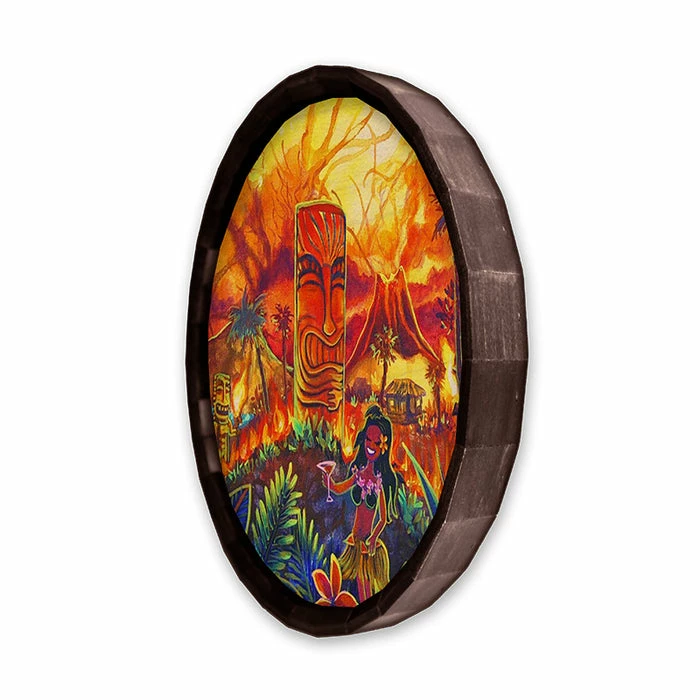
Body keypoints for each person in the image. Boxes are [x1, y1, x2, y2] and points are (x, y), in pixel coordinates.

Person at [327, 405, 398, 602]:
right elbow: (340, 488)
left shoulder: (379, 481)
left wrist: (374, 537)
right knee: (359, 584)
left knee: (367, 588)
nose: (370, 445)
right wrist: (329, 483)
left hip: (367, 543)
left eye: (376, 442)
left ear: (383, 447)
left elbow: (383, 518)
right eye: (368, 439)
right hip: (355, 542)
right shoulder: (358, 473)